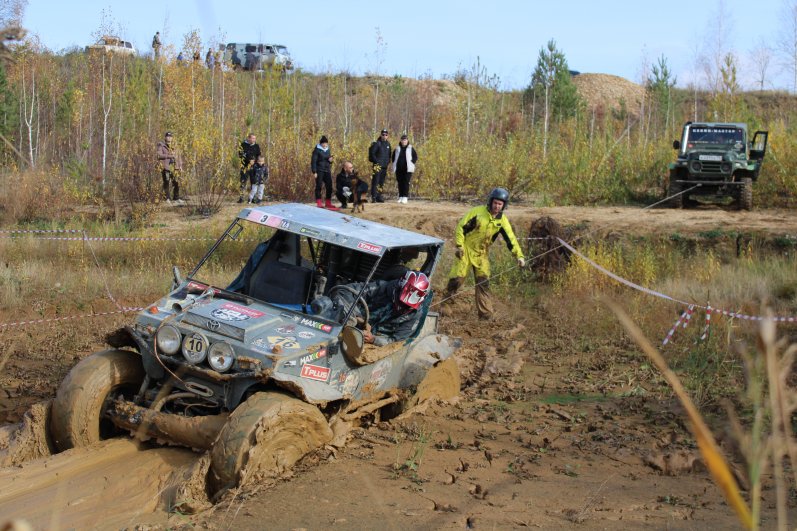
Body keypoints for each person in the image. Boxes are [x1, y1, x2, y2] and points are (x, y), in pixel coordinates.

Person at [444, 188, 525, 320]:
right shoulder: (477, 212)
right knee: (457, 279)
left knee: (483, 283)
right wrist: (459, 246)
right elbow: (460, 227)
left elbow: (511, 239)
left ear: (504, 205)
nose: (497, 206)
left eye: (500, 204)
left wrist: (519, 256)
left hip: (482, 254)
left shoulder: (502, 221)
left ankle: (485, 314)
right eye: (495, 203)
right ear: (490, 201)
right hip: (466, 250)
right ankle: (445, 305)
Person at [331, 270, 430, 346]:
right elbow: (345, 291)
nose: (403, 307)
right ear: (399, 287)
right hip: (352, 326)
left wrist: (373, 339)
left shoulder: (414, 314)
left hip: (374, 343)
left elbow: (397, 342)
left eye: (408, 305)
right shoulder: (381, 288)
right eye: (402, 302)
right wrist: (358, 317)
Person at [156, 132, 183, 204]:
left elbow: (179, 156)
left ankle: (176, 198)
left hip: (175, 167)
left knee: (176, 182)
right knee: (166, 182)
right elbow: (159, 155)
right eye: (167, 136)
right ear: (165, 138)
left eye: (170, 136)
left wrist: (180, 166)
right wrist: (169, 155)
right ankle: (167, 198)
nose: (169, 138)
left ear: (172, 138)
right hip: (166, 167)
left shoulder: (175, 146)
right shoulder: (161, 145)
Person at [311, 135, 336, 209]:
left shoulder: (328, 149)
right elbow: (313, 161)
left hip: (327, 170)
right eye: (324, 143)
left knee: (329, 187)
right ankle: (319, 202)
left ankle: (328, 203)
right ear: (321, 144)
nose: (325, 145)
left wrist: (330, 160)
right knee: (319, 186)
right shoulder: (316, 150)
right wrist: (314, 171)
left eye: (326, 143)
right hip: (319, 170)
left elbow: (328, 159)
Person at [391, 134, 418, 204]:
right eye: (402, 140)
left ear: (407, 140)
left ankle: (405, 197)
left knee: (406, 182)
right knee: (400, 183)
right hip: (399, 169)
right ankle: (401, 196)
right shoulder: (397, 148)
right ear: (401, 140)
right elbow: (393, 157)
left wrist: (412, 162)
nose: (404, 141)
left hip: (407, 169)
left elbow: (415, 156)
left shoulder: (410, 148)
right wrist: (394, 162)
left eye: (405, 140)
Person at [368, 128, 392, 202]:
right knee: (376, 181)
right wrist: (377, 162)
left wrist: (388, 162)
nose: (384, 136)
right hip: (377, 166)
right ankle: (374, 197)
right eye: (383, 134)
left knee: (381, 182)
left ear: (387, 136)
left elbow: (389, 155)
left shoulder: (388, 144)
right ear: (381, 135)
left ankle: (379, 196)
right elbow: (372, 154)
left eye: (386, 135)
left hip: (384, 166)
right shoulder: (377, 143)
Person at [238, 133, 261, 203]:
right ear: (248, 138)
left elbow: (258, 155)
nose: (254, 140)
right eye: (252, 138)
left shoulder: (256, 146)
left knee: (253, 183)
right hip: (244, 166)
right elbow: (241, 155)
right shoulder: (243, 145)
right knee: (243, 182)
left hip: (254, 167)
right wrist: (249, 160)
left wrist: (255, 161)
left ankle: (252, 198)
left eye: (255, 138)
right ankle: (241, 198)